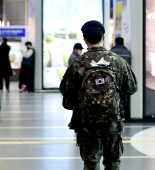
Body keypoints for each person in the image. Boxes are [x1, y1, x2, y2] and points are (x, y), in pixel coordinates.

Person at [59, 20, 138, 170]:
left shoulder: (78, 63)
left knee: (91, 163)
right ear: (103, 36)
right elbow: (132, 88)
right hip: (112, 120)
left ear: (84, 40)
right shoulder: (117, 61)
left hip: (87, 122)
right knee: (112, 162)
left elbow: (66, 91)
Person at [111, 37, 132, 121]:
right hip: (125, 79)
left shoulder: (111, 52)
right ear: (123, 43)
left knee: (114, 97)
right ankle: (125, 116)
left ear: (115, 43)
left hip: (113, 79)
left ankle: (116, 115)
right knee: (125, 98)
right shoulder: (128, 52)